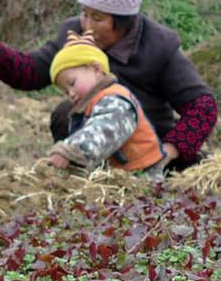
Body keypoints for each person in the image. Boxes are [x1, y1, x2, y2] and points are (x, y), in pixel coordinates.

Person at [0, 0, 216, 172]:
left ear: (123, 22)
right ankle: (78, 173)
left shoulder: (158, 46)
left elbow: (202, 107)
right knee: (64, 113)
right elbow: (32, 70)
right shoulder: (73, 34)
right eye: (84, 13)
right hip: (93, 150)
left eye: (98, 18)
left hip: (148, 152)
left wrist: (168, 152)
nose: (87, 25)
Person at [47, 32, 164, 177]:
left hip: (142, 175)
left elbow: (103, 130)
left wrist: (69, 151)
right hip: (117, 177)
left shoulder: (116, 99)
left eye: (72, 83)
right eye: (65, 91)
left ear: (96, 69)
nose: (70, 93)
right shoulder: (90, 104)